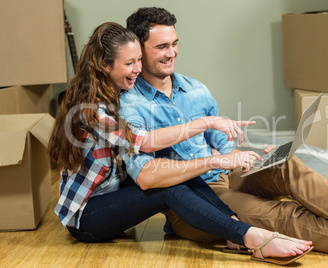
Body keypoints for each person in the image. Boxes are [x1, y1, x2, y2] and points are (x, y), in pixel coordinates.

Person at [120, 7, 328, 263]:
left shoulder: (195, 89)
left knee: (288, 167)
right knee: (281, 214)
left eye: (175, 44)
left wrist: (243, 155)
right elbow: (146, 176)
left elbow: (221, 143)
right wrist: (216, 161)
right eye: (161, 47)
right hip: (195, 200)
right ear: (138, 50)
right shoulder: (130, 104)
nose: (171, 53)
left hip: (225, 176)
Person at [48, 21, 314, 266]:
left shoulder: (115, 97)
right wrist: (207, 123)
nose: (138, 69)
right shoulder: (93, 110)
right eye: (130, 63)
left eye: (139, 60)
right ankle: (250, 237)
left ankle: (232, 227)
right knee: (167, 189)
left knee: (173, 167)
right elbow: (146, 142)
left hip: (113, 194)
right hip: (87, 218)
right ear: (105, 65)